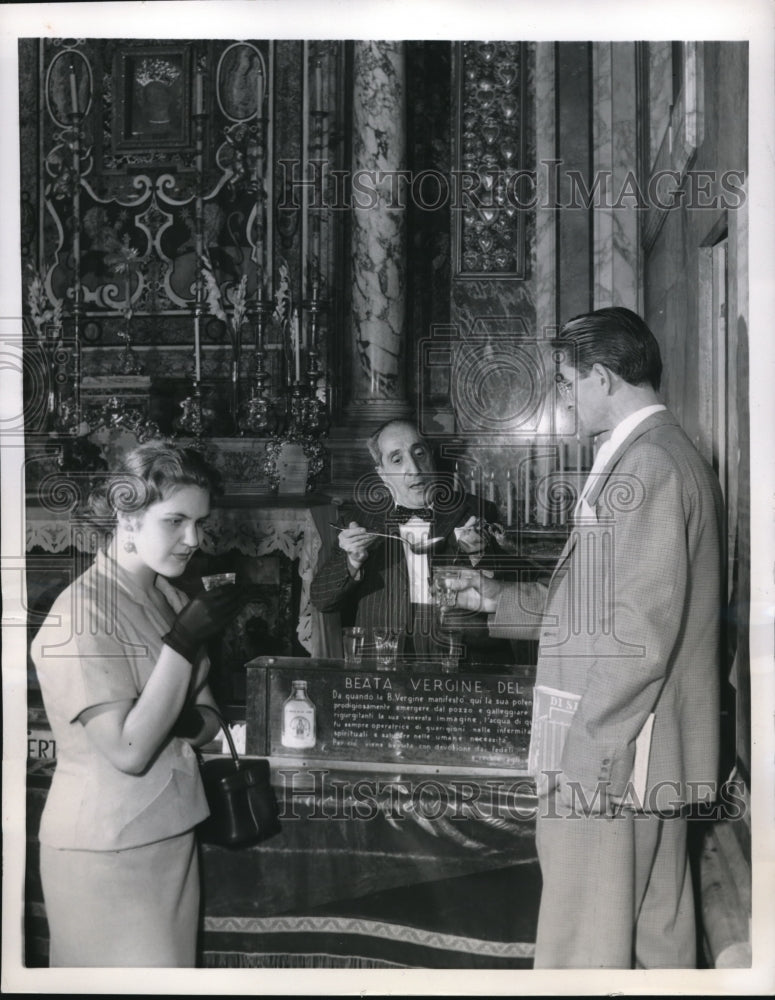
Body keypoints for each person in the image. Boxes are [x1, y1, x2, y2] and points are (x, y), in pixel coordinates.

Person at [449, 308, 724, 968]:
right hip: (640, 754)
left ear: (601, 377)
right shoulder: (650, 453)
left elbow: (634, 638)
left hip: (610, 756)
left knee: (582, 947)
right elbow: (607, 605)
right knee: (655, 938)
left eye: (567, 382)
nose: (563, 398)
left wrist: (589, 758)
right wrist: (499, 599)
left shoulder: (649, 464)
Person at [31, 441, 243, 967]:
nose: (194, 539)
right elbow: (127, 749)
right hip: (106, 851)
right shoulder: (78, 613)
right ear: (125, 517)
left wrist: (168, 718)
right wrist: (183, 644)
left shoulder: (168, 597)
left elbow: (211, 719)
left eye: (200, 522)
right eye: (175, 521)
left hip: (170, 833)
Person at [310, 418, 507, 663]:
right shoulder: (358, 520)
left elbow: (511, 593)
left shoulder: (476, 511)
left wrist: (480, 553)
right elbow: (322, 600)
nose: (414, 469)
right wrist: (352, 561)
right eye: (397, 459)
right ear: (382, 474)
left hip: (459, 661)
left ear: (431, 457)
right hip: (382, 664)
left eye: (419, 453)